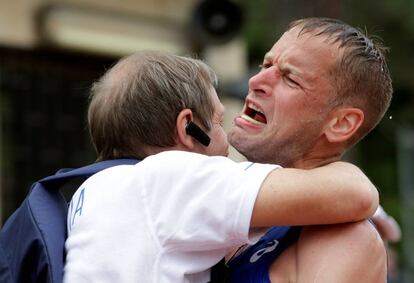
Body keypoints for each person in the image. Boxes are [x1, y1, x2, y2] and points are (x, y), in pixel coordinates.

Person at [63, 51, 378, 283]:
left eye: (290, 77)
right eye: (217, 121)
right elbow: (356, 195)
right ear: (188, 128)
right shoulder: (174, 177)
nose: (226, 135)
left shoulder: (92, 192)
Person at [226, 17, 393, 282]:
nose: (256, 80)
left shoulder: (344, 239)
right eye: (266, 64)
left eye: (290, 78)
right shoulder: (230, 204)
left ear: (341, 123)